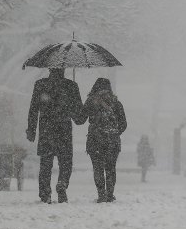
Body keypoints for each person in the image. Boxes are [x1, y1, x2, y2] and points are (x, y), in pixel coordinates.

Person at [26, 68, 85, 203]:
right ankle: (62, 183)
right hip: (64, 130)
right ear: (63, 69)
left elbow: (33, 109)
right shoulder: (71, 86)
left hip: (46, 130)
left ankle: (45, 193)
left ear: (49, 69)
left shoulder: (40, 84)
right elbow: (79, 117)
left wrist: (31, 129)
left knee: (46, 164)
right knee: (66, 162)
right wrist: (77, 112)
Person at [84, 78, 127, 203]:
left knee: (97, 168)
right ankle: (110, 195)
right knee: (110, 168)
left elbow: (80, 118)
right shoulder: (116, 103)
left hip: (94, 141)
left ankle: (101, 194)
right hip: (112, 141)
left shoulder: (91, 102)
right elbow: (123, 124)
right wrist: (114, 133)